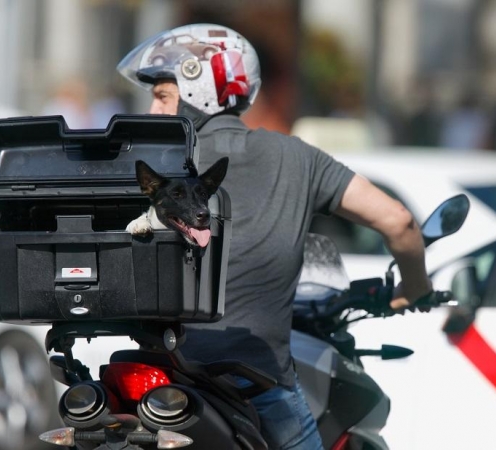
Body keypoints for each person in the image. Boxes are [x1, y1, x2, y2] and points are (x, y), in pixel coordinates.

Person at [117, 23, 433, 450]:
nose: (154, 112)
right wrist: (414, 288)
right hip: (254, 379)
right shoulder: (297, 158)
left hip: (159, 368)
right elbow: (398, 222)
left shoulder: (147, 168)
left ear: (200, 92)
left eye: (162, 97)